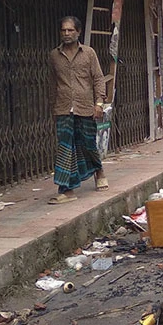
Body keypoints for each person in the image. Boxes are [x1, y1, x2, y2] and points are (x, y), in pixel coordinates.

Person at [48, 15, 107, 204]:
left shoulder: (89, 53)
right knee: (65, 148)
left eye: (70, 30)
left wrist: (99, 103)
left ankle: (98, 170)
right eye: (63, 30)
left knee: (88, 144)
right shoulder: (54, 56)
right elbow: (52, 83)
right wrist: (53, 107)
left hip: (85, 107)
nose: (66, 33)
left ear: (78, 32)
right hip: (63, 108)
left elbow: (98, 78)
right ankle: (67, 189)